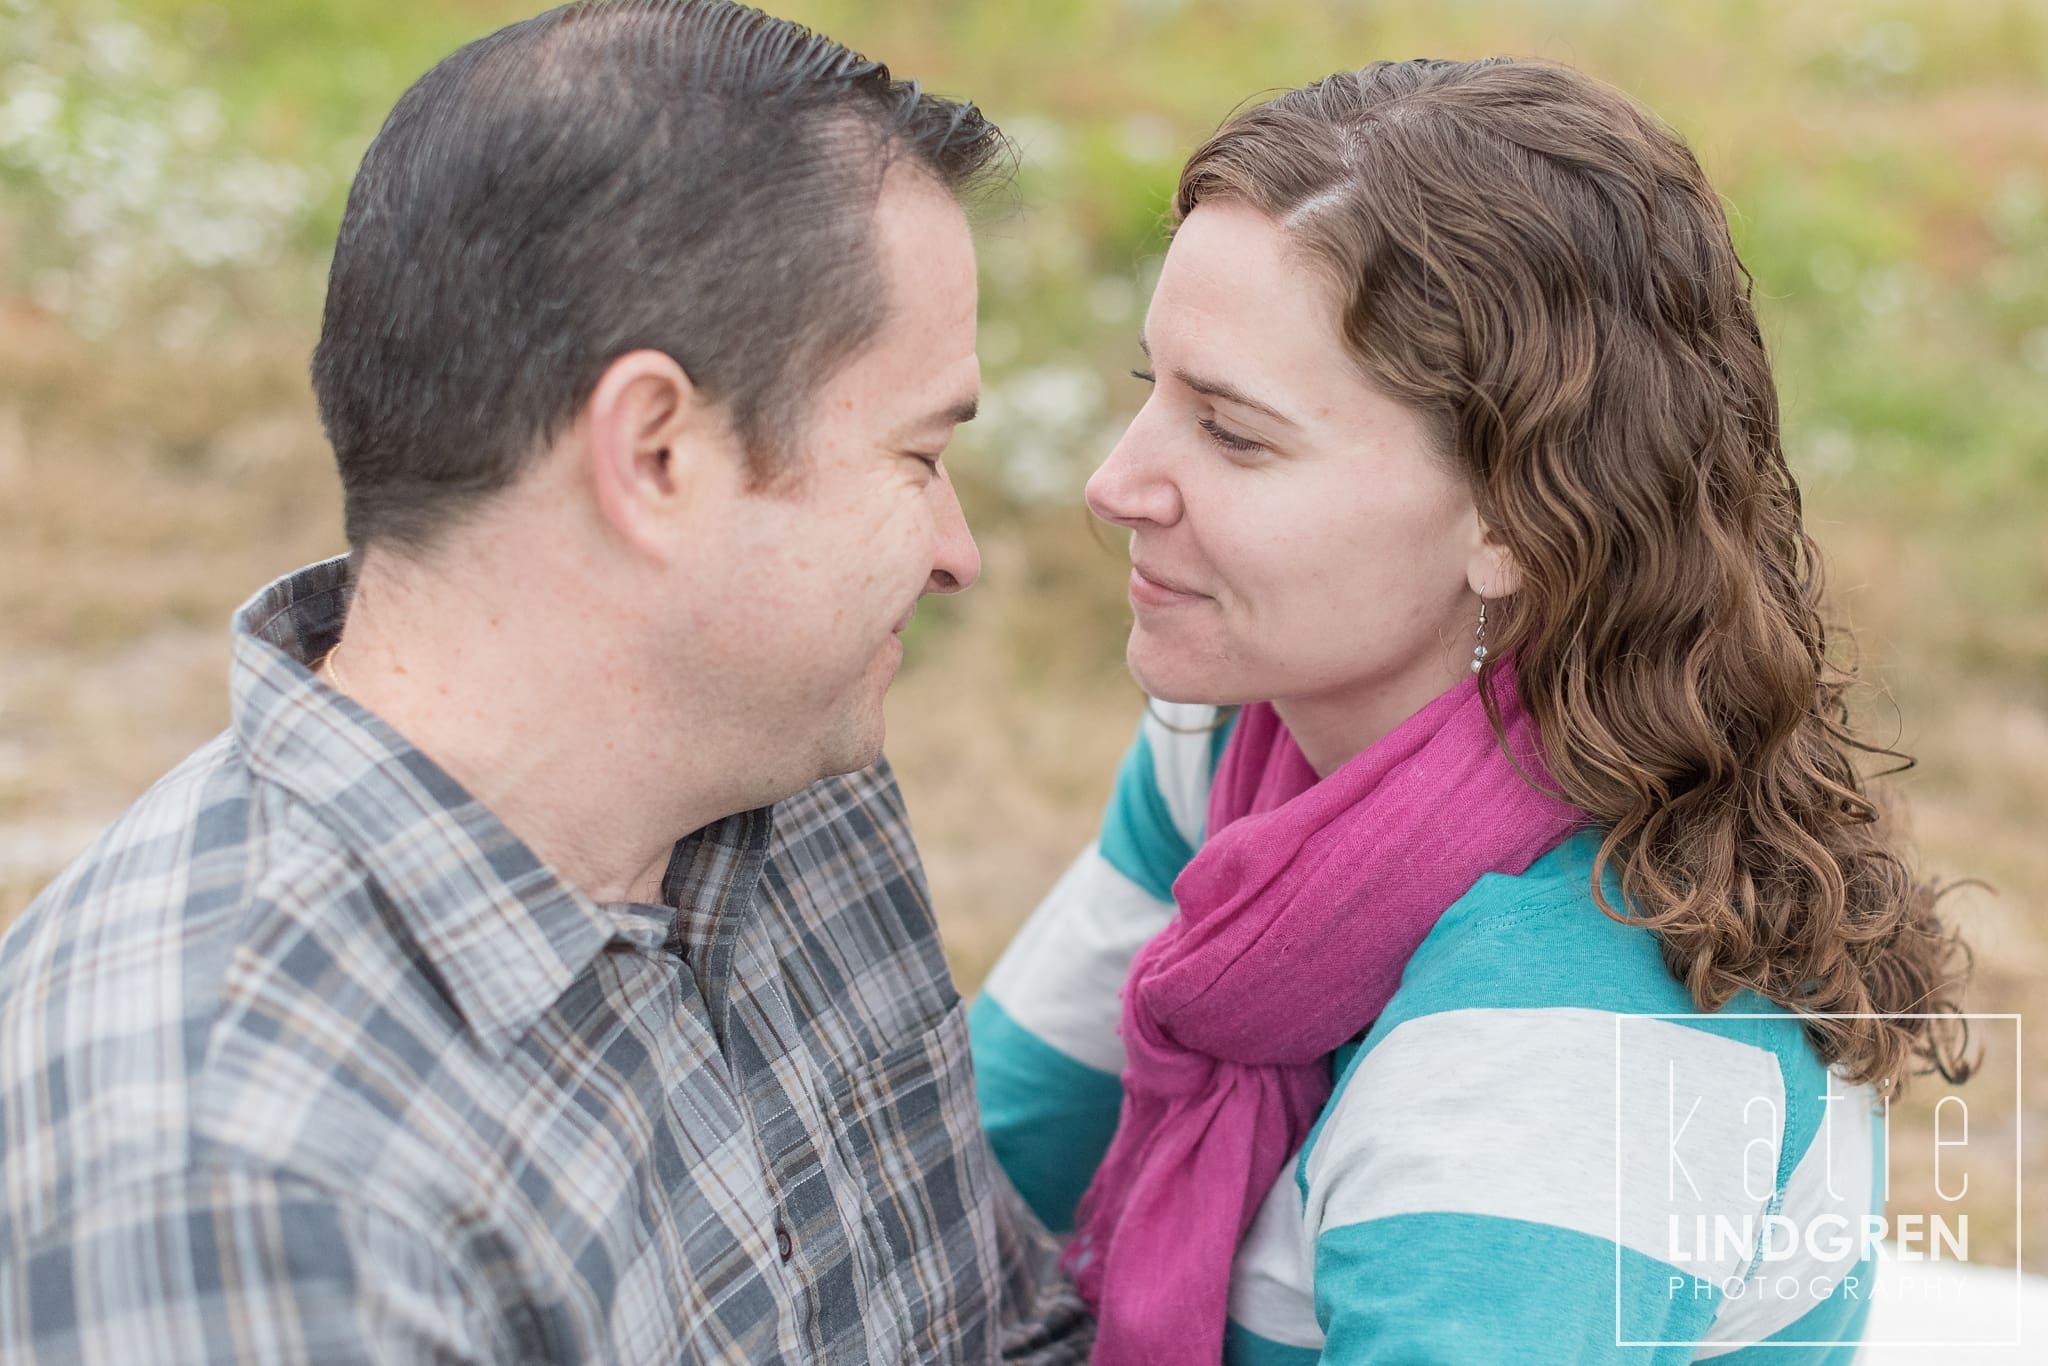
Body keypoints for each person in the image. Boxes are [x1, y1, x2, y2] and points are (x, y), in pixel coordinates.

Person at [0, 2, 1092, 1361]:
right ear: (655, 456)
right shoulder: (247, 1182)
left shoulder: (782, 763)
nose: (960, 554)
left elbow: (1003, 1332)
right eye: (920, 460)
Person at [970, 57, 1972, 1364]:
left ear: (1510, 520)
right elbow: (971, 1183)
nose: (1115, 482)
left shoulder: (1564, 1063)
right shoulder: (1237, 749)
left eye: (1234, 434)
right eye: (1149, 386)